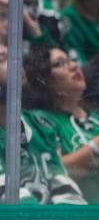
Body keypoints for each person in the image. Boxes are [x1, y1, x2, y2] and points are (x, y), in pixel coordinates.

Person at [23, 44, 99, 203]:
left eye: (71, 60)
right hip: (76, 217)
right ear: (45, 80)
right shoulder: (41, 121)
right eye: (60, 63)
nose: (74, 66)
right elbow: (52, 172)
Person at [0, 42, 85, 204]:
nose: (15, 64)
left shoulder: (40, 125)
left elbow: (60, 181)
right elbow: (7, 195)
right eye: (2, 60)